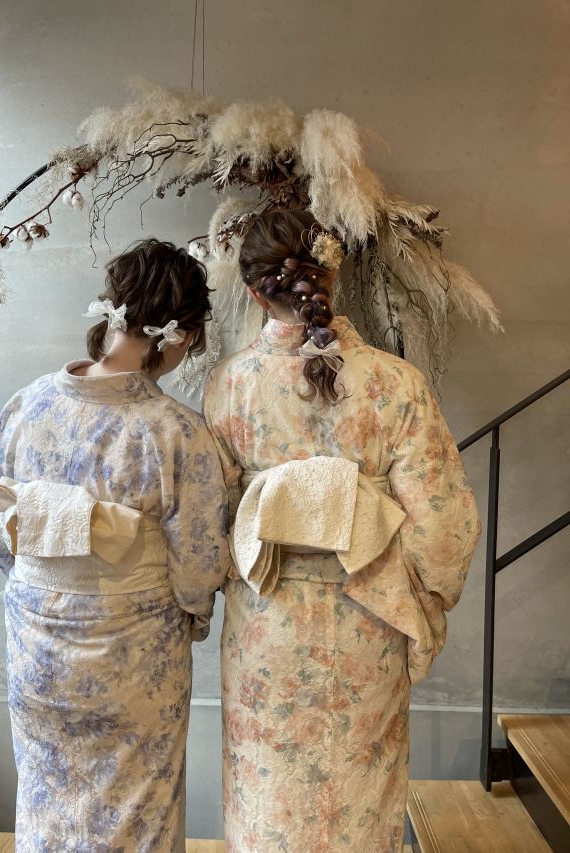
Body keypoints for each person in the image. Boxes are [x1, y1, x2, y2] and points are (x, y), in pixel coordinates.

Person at [203, 209, 482, 853]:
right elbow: (443, 523)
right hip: (369, 616)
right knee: (358, 789)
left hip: (267, 620)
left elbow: (211, 518)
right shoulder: (396, 383)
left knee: (268, 789)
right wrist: (425, 604)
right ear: (333, 274)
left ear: (255, 294)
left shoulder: (229, 386)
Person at [0, 239, 231, 853]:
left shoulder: (27, 405)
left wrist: (47, 586)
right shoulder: (175, 431)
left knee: (47, 796)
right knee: (137, 807)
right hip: (135, 649)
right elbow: (200, 565)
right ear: (181, 336)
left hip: (37, 642)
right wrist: (193, 616)